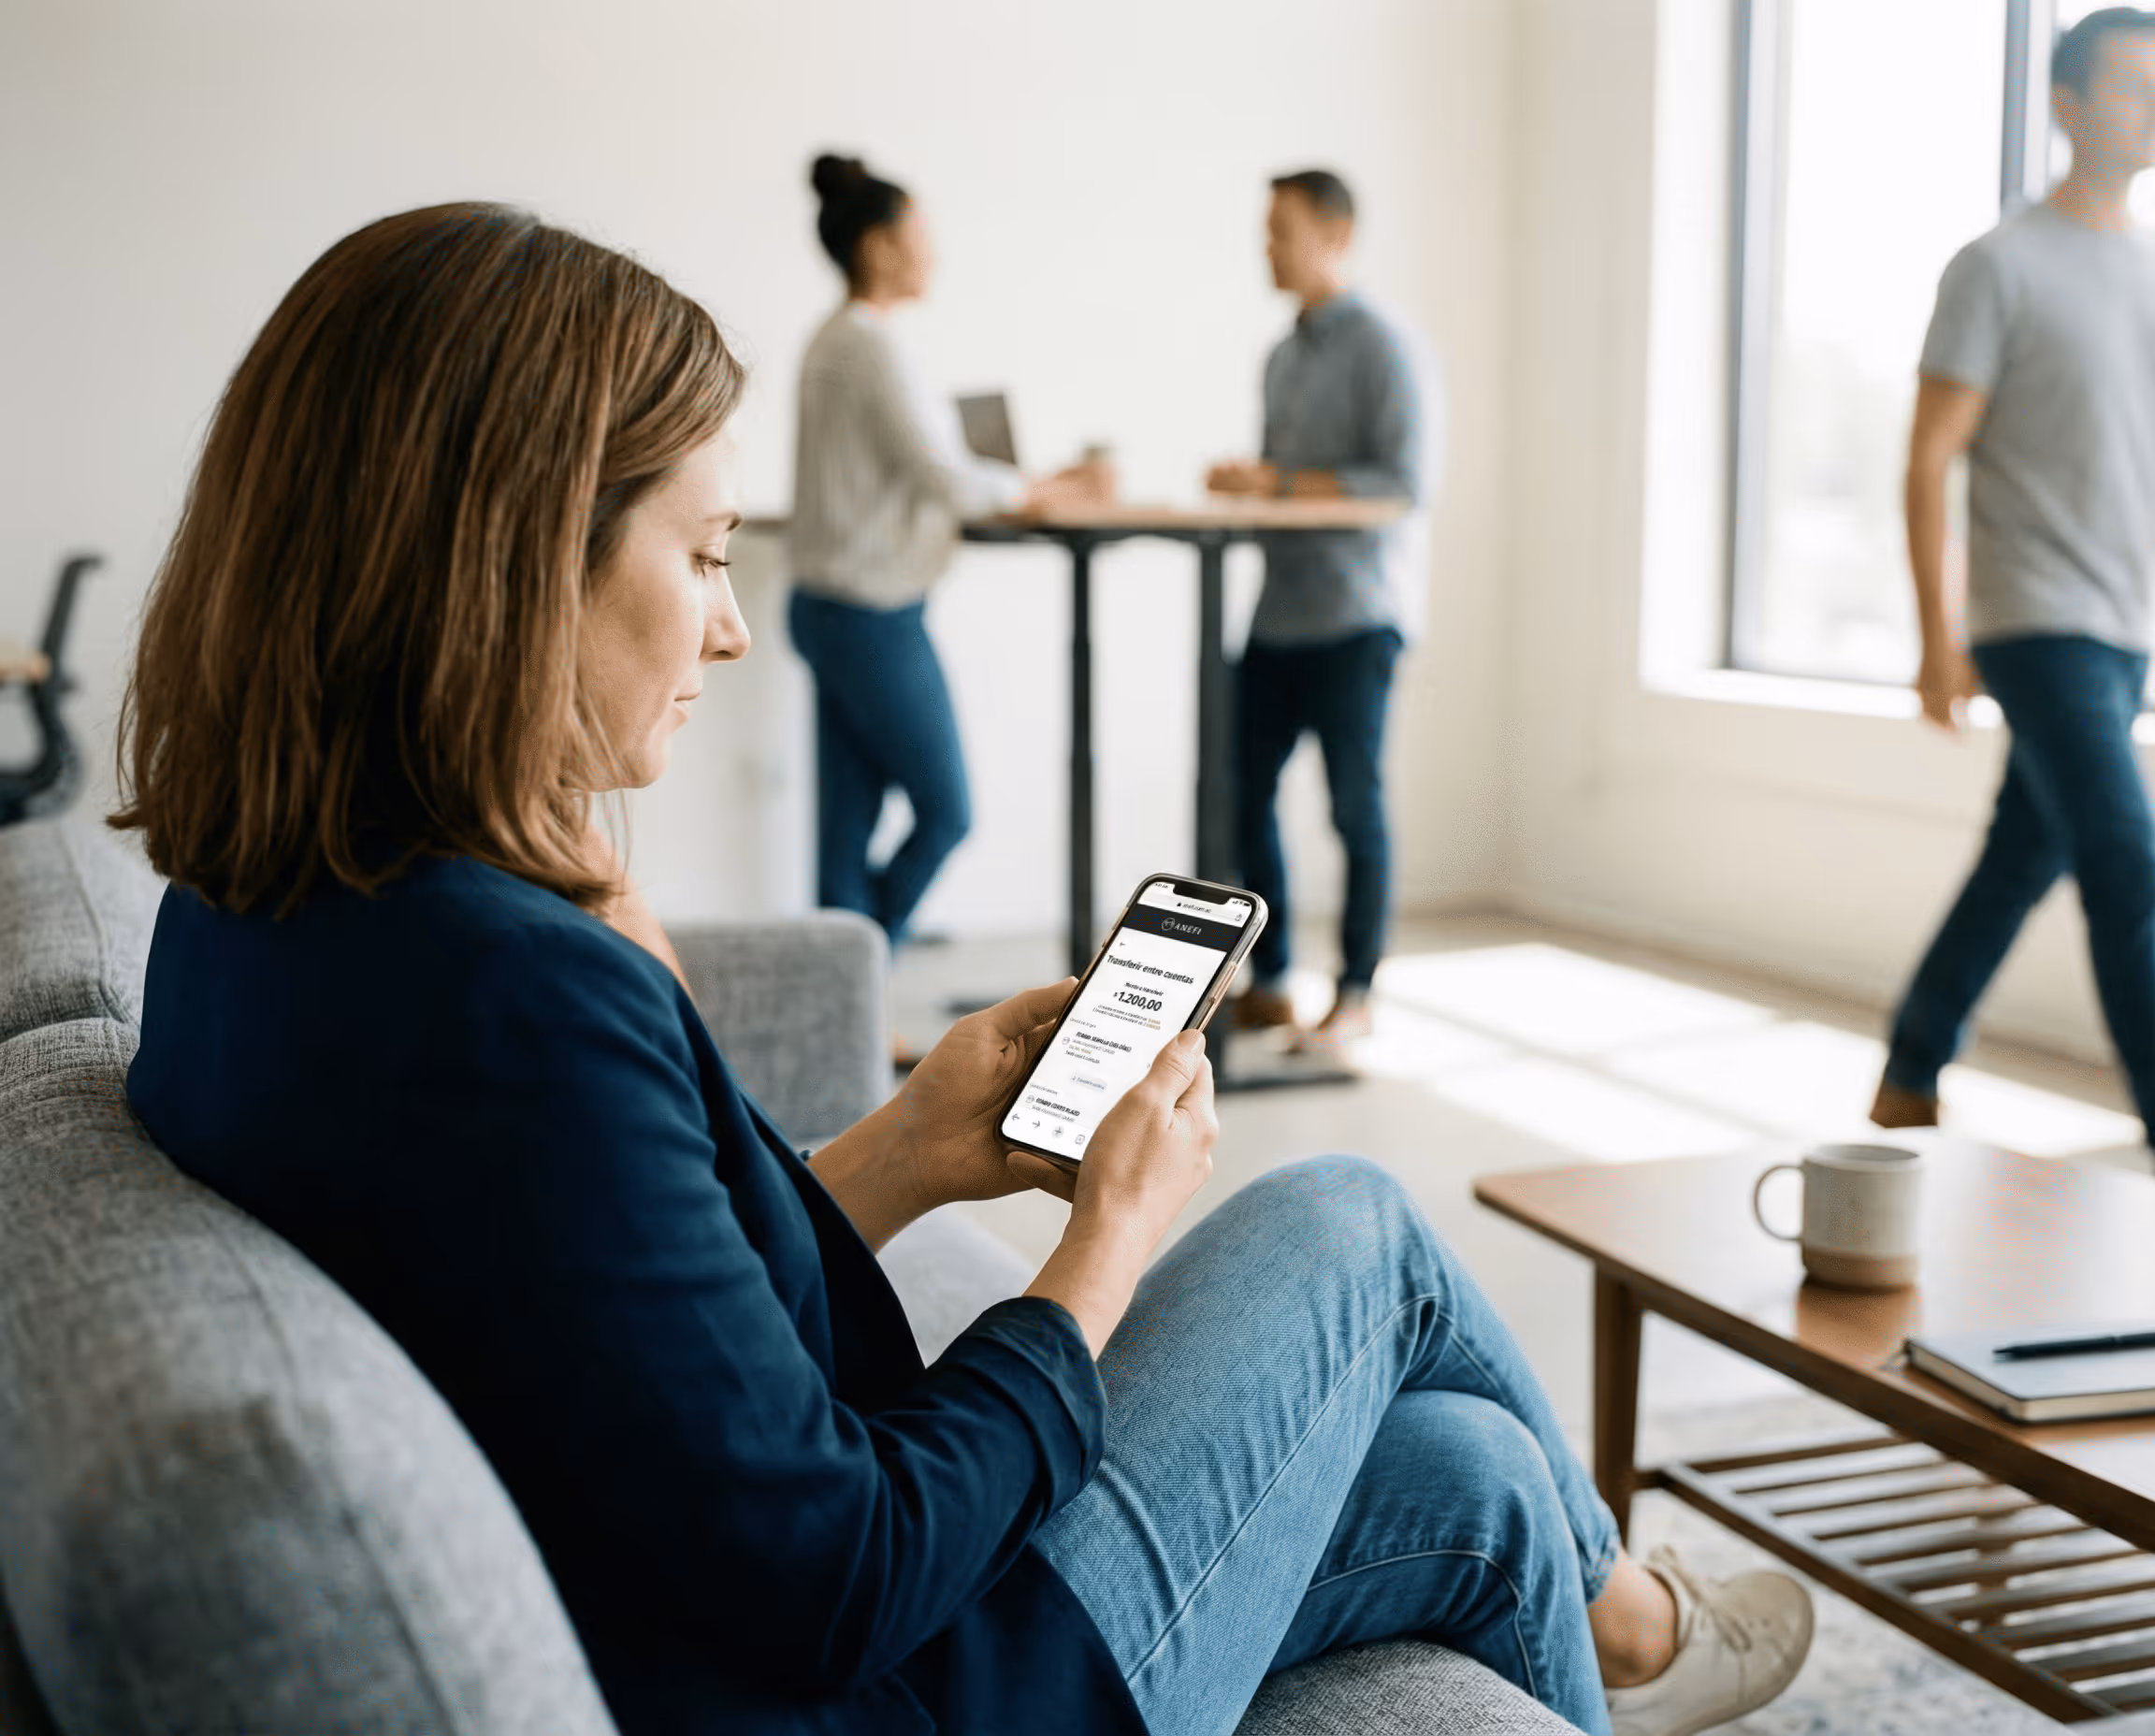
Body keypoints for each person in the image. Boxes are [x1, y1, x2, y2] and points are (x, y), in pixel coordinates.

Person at [115, 202, 1811, 1736]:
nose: (726, 624)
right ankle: (1635, 1613)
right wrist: (1101, 1247)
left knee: (1467, 1471)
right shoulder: (513, 1000)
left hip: (783, 1632)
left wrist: (916, 1146)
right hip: (932, 1688)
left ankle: (1612, 1642)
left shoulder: (256, 919)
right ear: (516, 554)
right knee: (1351, 1218)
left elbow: (617, 1329)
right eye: (703, 556)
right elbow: (835, 1567)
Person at [1873, 8, 2155, 1145]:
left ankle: (1910, 1063)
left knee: (2020, 857)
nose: (2153, 107)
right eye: (2133, 85)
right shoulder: (1996, 266)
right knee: (2129, 862)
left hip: (2124, 623)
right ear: (2067, 104)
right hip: (2036, 622)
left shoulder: (2142, 272)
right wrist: (1939, 636)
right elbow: (1928, 455)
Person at [790, 153, 1106, 941]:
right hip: (870, 615)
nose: (932, 252)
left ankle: (841, 1014)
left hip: (830, 608)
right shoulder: (868, 345)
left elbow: (926, 467)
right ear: (878, 247)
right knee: (947, 808)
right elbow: (943, 475)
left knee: (845, 825)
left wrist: (1027, 482)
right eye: (920, 235)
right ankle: (865, 971)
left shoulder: (835, 339)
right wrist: (1041, 490)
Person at [1208, 169, 1438, 1054]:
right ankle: (1270, 981)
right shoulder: (1282, 354)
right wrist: (1253, 483)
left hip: (1357, 616)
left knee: (1354, 807)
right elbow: (1284, 482)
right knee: (1239, 793)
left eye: (1282, 231)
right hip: (1278, 614)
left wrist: (1281, 483)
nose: (1267, 247)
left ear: (1335, 236)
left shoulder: (1385, 346)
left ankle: (1355, 994)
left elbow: (1407, 482)